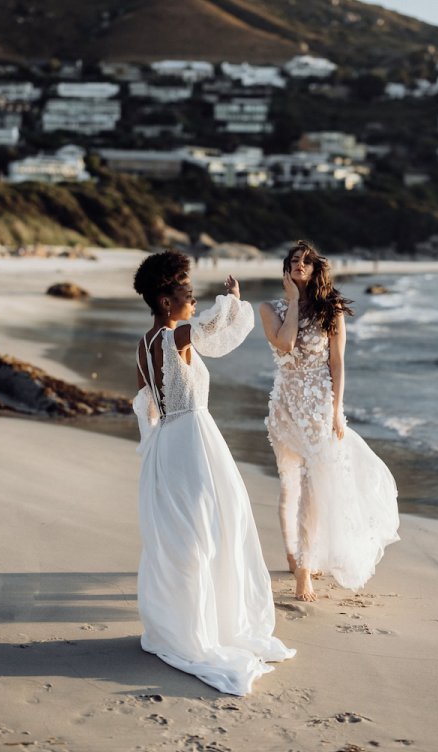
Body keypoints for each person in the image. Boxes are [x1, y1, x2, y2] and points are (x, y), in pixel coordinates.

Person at [132, 251, 295, 696]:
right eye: (186, 293)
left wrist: (228, 310)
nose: (192, 299)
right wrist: (232, 302)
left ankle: (180, 622)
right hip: (194, 443)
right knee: (215, 528)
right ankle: (206, 626)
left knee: (184, 534)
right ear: (166, 302)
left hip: (168, 442)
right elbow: (212, 329)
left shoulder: (144, 345)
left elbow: (146, 401)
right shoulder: (175, 335)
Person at [259, 241, 400, 602]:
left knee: (314, 487)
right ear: (286, 269)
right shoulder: (270, 308)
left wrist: (337, 410)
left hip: (319, 407)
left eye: (305, 262)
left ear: (316, 267)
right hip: (285, 407)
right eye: (293, 261)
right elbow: (286, 344)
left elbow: (337, 363)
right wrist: (292, 301)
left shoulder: (331, 309)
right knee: (289, 484)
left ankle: (305, 569)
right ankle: (292, 555)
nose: (298, 266)